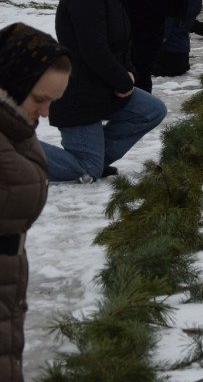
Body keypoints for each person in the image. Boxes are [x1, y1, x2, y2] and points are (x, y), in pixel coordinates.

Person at [43, 0, 168, 182]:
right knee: (86, 170)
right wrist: (122, 81)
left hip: (100, 85)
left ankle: (93, 158)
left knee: (151, 109)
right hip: (77, 92)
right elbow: (93, 48)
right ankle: (15, 151)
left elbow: (121, 42)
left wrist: (129, 72)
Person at [0, 23, 70, 380]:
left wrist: (15, 302)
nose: (44, 113)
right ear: (13, 81)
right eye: (39, 99)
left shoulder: (15, 128)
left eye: (51, 102)